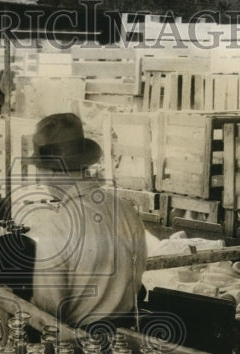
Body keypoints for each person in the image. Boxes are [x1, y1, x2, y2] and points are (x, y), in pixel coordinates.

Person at [21, 112, 147, 328]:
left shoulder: (58, 224)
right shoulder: (126, 209)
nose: (39, 179)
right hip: (126, 338)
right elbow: (136, 280)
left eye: (38, 171)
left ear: (48, 171)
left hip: (79, 347)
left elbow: (49, 311)